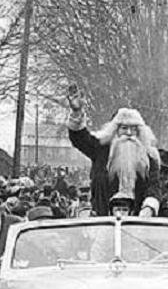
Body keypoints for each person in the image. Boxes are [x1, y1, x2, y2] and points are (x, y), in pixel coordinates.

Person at [65, 86, 162, 217]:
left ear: (140, 132)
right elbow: (80, 139)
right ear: (115, 130)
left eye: (133, 129)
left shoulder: (150, 158)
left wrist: (148, 207)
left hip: (138, 225)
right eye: (124, 128)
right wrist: (77, 112)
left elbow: (154, 187)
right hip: (102, 222)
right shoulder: (101, 150)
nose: (129, 133)